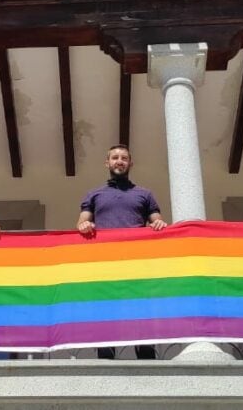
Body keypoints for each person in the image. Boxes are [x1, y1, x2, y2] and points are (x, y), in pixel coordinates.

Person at [77, 144, 166, 360]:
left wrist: (159, 224)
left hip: (137, 262)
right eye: (115, 157)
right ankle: (105, 358)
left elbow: (158, 221)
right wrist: (84, 226)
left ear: (130, 163)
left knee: (141, 307)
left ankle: (146, 357)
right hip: (104, 262)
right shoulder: (95, 194)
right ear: (107, 163)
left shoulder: (144, 194)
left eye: (124, 158)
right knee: (104, 307)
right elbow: (82, 221)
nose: (119, 161)